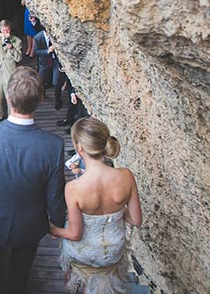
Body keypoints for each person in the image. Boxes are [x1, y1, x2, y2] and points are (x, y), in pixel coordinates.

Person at [0, 67, 66, 294]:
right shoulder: (53, 145)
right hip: (30, 226)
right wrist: (57, 221)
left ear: (8, 98)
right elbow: (55, 196)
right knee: (19, 278)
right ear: (39, 100)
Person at [50, 117, 142, 294]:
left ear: (80, 147)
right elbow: (136, 220)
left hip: (84, 252)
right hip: (113, 250)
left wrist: (52, 229)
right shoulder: (126, 176)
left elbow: (74, 234)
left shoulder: (74, 188)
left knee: (73, 276)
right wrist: (114, 211)